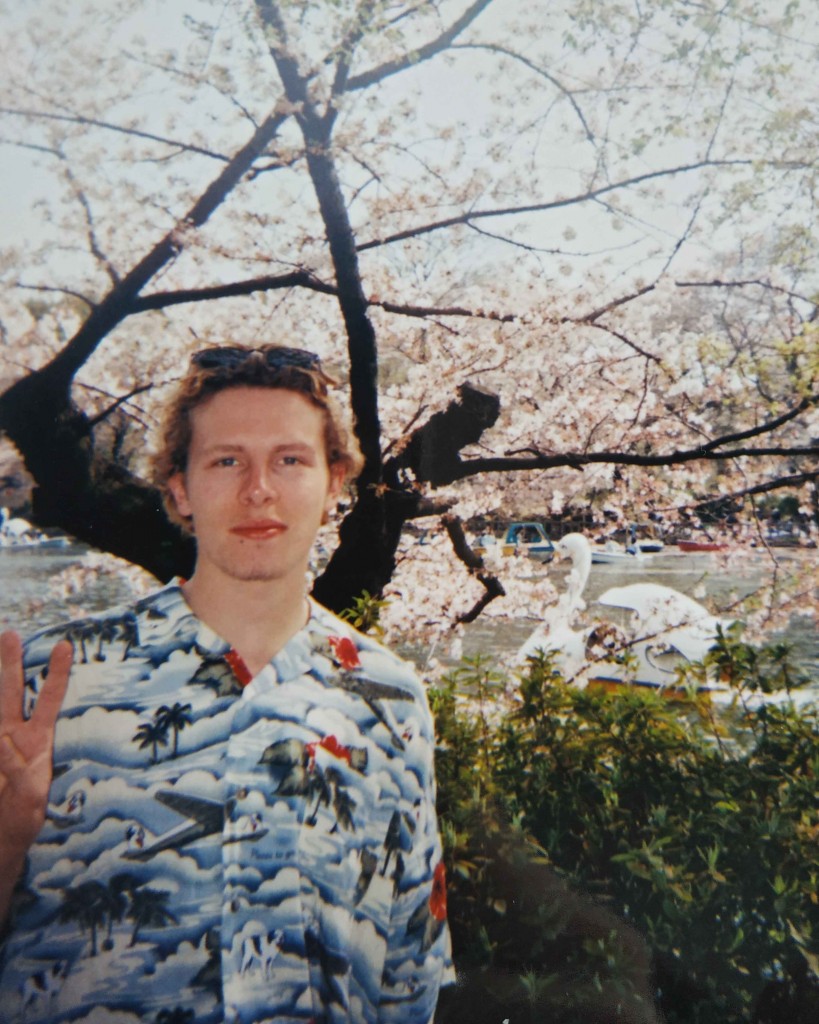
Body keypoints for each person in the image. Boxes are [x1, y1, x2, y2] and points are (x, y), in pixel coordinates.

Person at [0, 345, 453, 1024]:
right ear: (179, 487)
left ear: (334, 483)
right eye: (226, 461)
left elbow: (408, 971)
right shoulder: (47, 683)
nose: (259, 489)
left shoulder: (392, 700)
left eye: (290, 460)